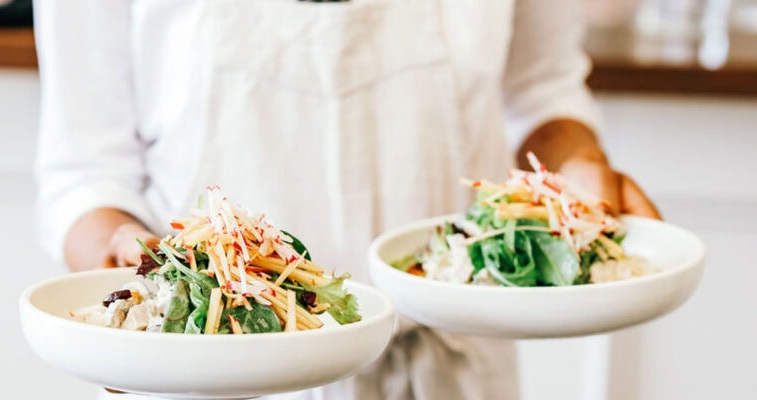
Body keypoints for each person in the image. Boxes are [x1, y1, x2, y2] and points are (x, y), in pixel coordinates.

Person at [34, 0, 660, 399]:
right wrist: (127, 267)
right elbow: (87, 169)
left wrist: (575, 168)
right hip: (210, 374)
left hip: (448, 372)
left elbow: (541, 90)